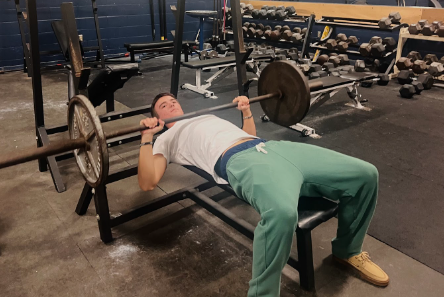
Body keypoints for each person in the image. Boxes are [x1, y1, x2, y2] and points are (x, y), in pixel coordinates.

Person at [138, 92, 389, 297]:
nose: (171, 104)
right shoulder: (166, 138)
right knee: (281, 213)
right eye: (164, 105)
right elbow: (148, 182)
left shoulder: (205, 116)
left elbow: (250, 135)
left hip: (273, 148)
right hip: (240, 161)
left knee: (365, 175)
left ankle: (348, 250)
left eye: (173, 101)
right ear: (157, 117)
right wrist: (147, 137)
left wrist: (246, 111)